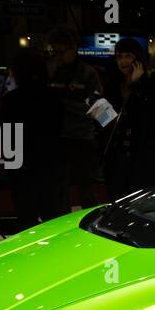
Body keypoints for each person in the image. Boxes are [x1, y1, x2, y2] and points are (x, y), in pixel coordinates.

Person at [1, 51, 65, 232]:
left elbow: (6, 136)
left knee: (26, 220)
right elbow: (59, 129)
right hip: (50, 165)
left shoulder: (11, 100)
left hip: (22, 168)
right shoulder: (53, 97)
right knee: (52, 219)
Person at [102, 38, 155, 199]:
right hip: (117, 153)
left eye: (128, 56)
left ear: (137, 59)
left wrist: (136, 85)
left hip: (143, 156)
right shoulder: (112, 85)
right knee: (117, 199)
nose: (123, 61)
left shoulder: (151, 85)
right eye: (119, 56)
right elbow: (107, 120)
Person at [46, 25, 103, 210]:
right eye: (54, 50)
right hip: (56, 137)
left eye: (61, 51)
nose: (58, 56)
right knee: (57, 188)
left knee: (86, 188)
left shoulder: (88, 73)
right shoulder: (50, 70)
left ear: (73, 48)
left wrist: (64, 104)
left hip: (82, 138)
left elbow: (98, 109)